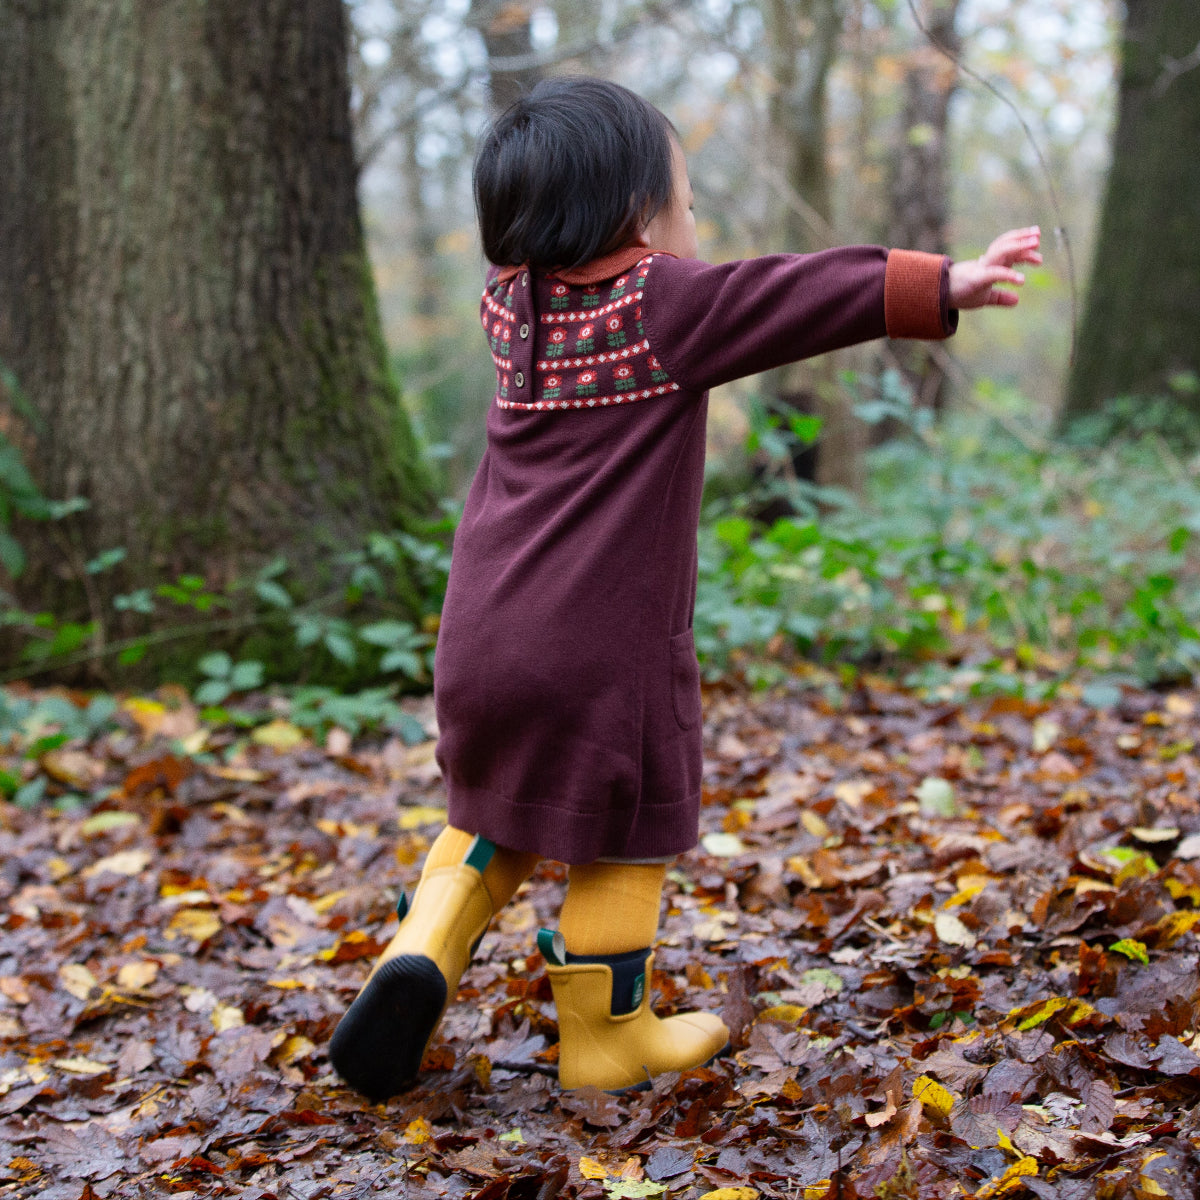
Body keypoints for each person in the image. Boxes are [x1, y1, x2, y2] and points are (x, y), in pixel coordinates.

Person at [330, 76, 1041, 1102]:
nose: (695, 225)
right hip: (603, 652)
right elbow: (789, 296)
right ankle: (608, 1035)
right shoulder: (657, 305)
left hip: (479, 637)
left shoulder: (508, 304)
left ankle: (428, 940)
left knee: (500, 802)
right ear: (637, 214)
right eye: (688, 202)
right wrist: (942, 283)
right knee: (628, 827)